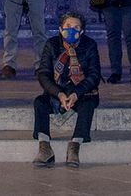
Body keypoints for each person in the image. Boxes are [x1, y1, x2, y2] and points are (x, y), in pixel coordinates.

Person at [31, 11, 101, 168]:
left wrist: (76, 94)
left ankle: (75, 146)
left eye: (76, 27)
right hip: (58, 90)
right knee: (40, 103)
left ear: (81, 32)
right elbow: (43, 74)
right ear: (60, 29)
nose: (71, 30)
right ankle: (44, 147)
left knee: (88, 105)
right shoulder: (51, 44)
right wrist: (59, 94)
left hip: (81, 92)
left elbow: (94, 75)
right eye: (68, 26)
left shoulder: (89, 45)